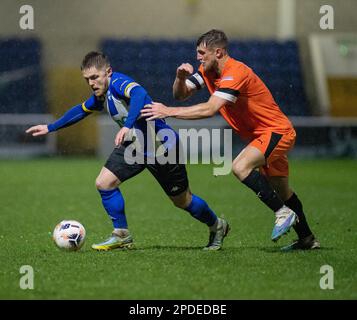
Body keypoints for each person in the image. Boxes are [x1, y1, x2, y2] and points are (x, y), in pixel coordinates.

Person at [26, 51, 229, 251]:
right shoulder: (101, 95)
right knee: (104, 183)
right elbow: (81, 110)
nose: (91, 83)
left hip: (162, 147)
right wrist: (50, 127)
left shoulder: (118, 82)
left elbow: (139, 93)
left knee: (183, 201)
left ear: (108, 72)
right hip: (135, 146)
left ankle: (217, 226)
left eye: (95, 77)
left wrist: (127, 125)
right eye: (87, 79)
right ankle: (121, 235)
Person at [141, 29, 320, 251]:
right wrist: (180, 78)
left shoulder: (236, 72)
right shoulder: (207, 71)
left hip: (277, 132)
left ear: (218, 52)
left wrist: (168, 111)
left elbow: (210, 108)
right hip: (262, 136)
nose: (198, 57)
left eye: (201, 53)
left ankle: (282, 212)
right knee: (283, 192)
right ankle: (307, 239)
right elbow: (181, 94)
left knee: (239, 166)